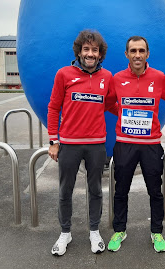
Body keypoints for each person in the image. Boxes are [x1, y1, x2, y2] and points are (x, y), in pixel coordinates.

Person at [47, 30, 114, 256]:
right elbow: (54, 107)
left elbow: (113, 104)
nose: (90, 54)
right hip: (69, 144)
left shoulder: (107, 78)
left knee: (95, 189)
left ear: (100, 54)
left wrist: (138, 109)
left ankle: (94, 231)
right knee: (65, 190)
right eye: (86, 49)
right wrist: (53, 141)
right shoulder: (64, 74)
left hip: (96, 144)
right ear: (79, 51)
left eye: (95, 50)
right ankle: (65, 232)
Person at [106, 36, 165, 253]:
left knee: (155, 191)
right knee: (120, 190)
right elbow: (109, 103)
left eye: (141, 50)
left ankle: (156, 232)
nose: (137, 55)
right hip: (125, 144)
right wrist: (124, 114)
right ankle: (120, 230)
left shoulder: (159, 77)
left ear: (147, 54)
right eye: (133, 51)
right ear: (126, 54)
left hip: (151, 144)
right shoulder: (117, 78)